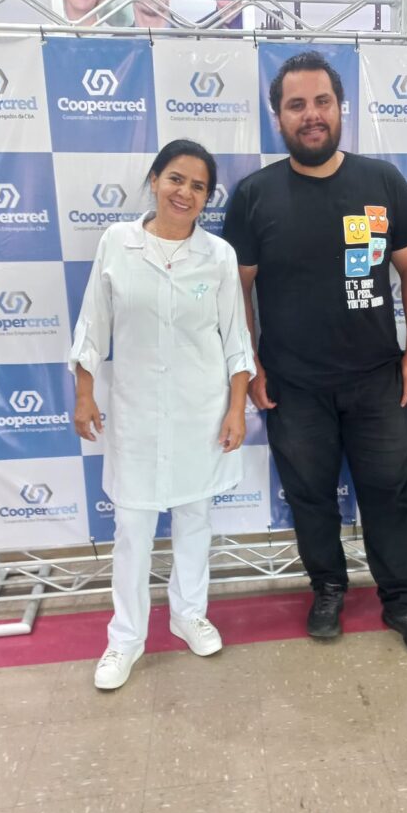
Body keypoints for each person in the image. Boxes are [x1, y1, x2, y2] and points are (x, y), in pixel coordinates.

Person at [223, 51, 407, 658]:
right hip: (293, 387)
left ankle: (401, 601)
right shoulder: (255, 195)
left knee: (389, 495)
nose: (311, 115)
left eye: (322, 102)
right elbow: (236, 289)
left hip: (377, 381)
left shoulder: (381, 182)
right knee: (311, 497)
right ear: (278, 117)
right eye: (296, 105)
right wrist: (253, 366)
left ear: (340, 108)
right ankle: (327, 589)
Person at [70, 139, 254, 689]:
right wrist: (84, 393)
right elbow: (92, 326)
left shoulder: (218, 255)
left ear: (207, 197)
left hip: (201, 414)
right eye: (176, 179)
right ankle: (125, 638)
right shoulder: (117, 243)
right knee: (133, 529)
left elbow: (236, 340)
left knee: (195, 521)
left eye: (199, 186)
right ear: (154, 180)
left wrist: (237, 408)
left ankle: (188, 614)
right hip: (137, 416)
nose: (185, 193)